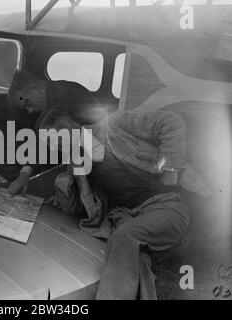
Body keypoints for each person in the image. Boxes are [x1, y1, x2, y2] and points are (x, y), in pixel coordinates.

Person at [37, 106, 212, 300]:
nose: (54, 149)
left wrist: (171, 169)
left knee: (125, 237)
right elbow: (79, 209)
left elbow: (171, 121)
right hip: (125, 216)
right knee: (133, 257)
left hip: (167, 205)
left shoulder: (115, 125)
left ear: (70, 127)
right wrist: (66, 185)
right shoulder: (75, 161)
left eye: (56, 142)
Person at [7, 70, 104, 196]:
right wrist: (24, 175)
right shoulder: (46, 114)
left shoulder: (71, 96)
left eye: (27, 103)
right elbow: (40, 146)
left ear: (35, 89)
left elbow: (90, 142)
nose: (30, 110)